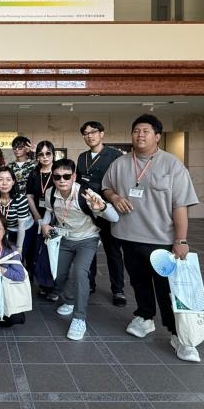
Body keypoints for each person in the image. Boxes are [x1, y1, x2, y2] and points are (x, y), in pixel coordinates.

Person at [102, 114, 200, 362]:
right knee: (138, 281)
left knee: (167, 289)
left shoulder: (172, 165)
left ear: (157, 136)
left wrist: (181, 240)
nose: (140, 135)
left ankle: (180, 336)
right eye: (136, 130)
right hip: (127, 236)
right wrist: (115, 197)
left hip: (161, 240)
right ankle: (145, 317)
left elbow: (180, 205)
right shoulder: (120, 163)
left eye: (146, 131)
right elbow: (106, 187)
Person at [41, 159, 119, 341]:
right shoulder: (50, 193)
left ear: (74, 176)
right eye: (57, 177)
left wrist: (102, 207)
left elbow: (114, 218)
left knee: (79, 273)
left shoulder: (86, 194)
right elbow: (49, 212)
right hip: (64, 239)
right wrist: (44, 225)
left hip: (87, 239)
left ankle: (79, 318)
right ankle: (69, 300)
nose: (62, 180)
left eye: (66, 176)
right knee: (59, 274)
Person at [76, 121, 126, 306]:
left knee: (113, 251)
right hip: (87, 211)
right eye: (86, 133)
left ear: (102, 134)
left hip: (106, 210)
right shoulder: (82, 157)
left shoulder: (115, 155)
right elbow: (79, 182)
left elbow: (120, 181)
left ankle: (118, 290)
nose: (90, 136)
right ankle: (90, 284)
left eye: (93, 132)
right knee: (88, 249)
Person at [26, 141, 58, 300]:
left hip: (56, 217)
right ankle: (42, 284)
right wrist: (37, 217)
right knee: (37, 250)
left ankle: (52, 287)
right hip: (36, 216)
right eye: (41, 154)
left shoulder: (58, 172)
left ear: (53, 154)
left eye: (48, 153)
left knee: (51, 252)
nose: (45, 157)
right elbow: (29, 196)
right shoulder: (34, 174)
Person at [0, 166, 31, 253]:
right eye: (1, 179)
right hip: (3, 229)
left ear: (13, 182)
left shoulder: (21, 199)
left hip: (22, 229)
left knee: (19, 254)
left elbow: (21, 226)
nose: (4, 183)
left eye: (8, 180)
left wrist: (19, 249)